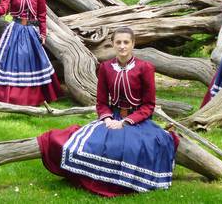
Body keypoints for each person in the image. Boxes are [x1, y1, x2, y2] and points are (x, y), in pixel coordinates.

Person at [38, 27, 178, 196]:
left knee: (134, 147)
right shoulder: (105, 67)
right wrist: (107, 119)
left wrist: (126, 122)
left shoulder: (145, 68)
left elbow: (148, 105)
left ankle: (127, 183)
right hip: (112, 118)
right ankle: (95, 179)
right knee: (93, 144)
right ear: (112, 44)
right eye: (118, 42)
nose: (122, 46)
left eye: (126, 42)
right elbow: (102, 102)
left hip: (137, 120)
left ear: (133, 44)